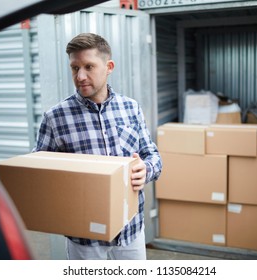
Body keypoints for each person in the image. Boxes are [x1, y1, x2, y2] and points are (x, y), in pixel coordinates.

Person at [33, 33, 162, 260]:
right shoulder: (55, 117)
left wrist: (146, 169)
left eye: (89, 67)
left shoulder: (131, 108)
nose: (80, 76)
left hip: (130, 232)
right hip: (84, 240)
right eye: (75, 68)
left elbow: (152, 156)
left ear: (108, 66)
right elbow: (39, 175)